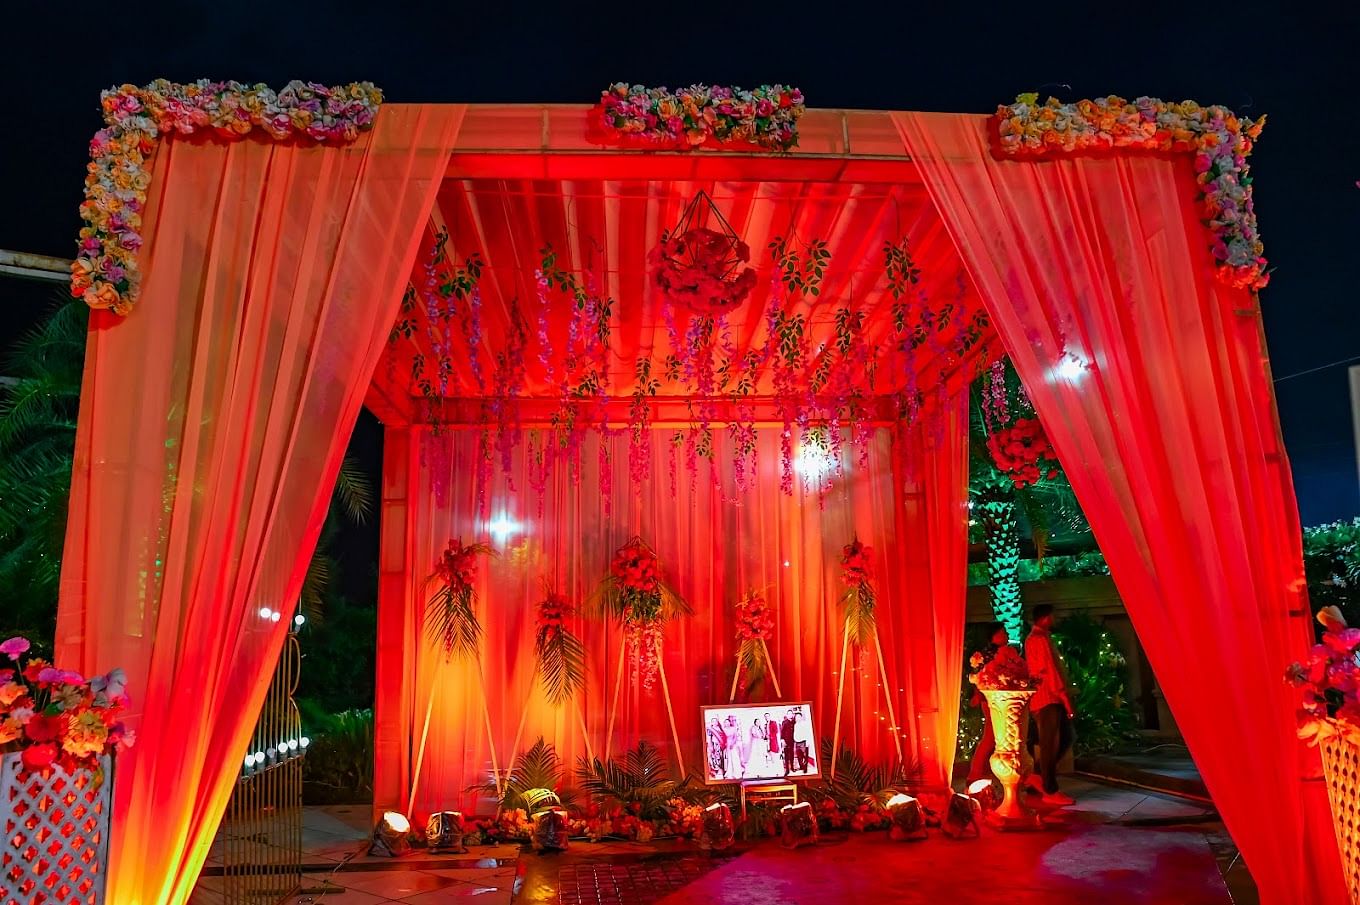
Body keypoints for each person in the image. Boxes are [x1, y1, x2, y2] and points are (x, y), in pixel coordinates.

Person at [1025, 605, 1076, 805]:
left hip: (1046, 697)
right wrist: (1064, 698)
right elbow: (1049, 672)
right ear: (1045, 618)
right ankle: (1049, 788)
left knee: (1061, 739)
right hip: (1048, 697)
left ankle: (1039, 777)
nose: (1054, 619)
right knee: (1051, 743)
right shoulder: (1039, 640)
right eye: (1052, 616)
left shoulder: (1036, 639)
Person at [966, 622, 1011, 785]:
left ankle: (978, 772)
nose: (1006, 635)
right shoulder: (989, 655)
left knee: (994, 737)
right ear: (994, 636)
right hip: (992, 700)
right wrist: (978, 695)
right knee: (991, 737)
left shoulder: (1004, 652)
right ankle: (974, 773)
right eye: (1002, 632)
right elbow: (981, 678)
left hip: (1003, 700)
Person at [780, 710, 796, 775]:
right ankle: (787, 770)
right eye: (788, 714)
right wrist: (782, 740)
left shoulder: (794, 722)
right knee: (786, 756)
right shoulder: (784, 722)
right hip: (786, 741)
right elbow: (782, 732)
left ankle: (792, 767)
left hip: (792, 741)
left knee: (792, 755)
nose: (790, 715)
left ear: (792, 715)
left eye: (791, 714)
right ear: (787, 715)